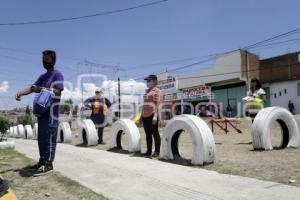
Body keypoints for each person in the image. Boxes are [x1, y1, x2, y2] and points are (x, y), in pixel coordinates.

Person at [15, 50, 64, 176]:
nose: (45, 62)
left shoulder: (57, 75)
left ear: (53, 60)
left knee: (49, 138)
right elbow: (32, 88)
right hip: (41, 113)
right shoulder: (42, 77)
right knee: (41, 139)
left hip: (51, 114)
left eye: (47, 59)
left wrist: (41, 89)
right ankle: (42, 161)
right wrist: (20, 93)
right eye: (43, 60)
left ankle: (48, 164)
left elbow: (57, 91)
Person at [141, 74, 162, 158]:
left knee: (155, 134)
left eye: (149, 80)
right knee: (147, 134)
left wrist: (155, 116)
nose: (147, 82)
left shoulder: (157, 91)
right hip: (144, 115)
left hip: (152, 115)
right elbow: (144, 104)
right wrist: (141, 116)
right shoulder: (147, 91)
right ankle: (148, 151)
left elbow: (158, 104)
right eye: (147, 81)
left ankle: (157, 152)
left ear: (154, 81)